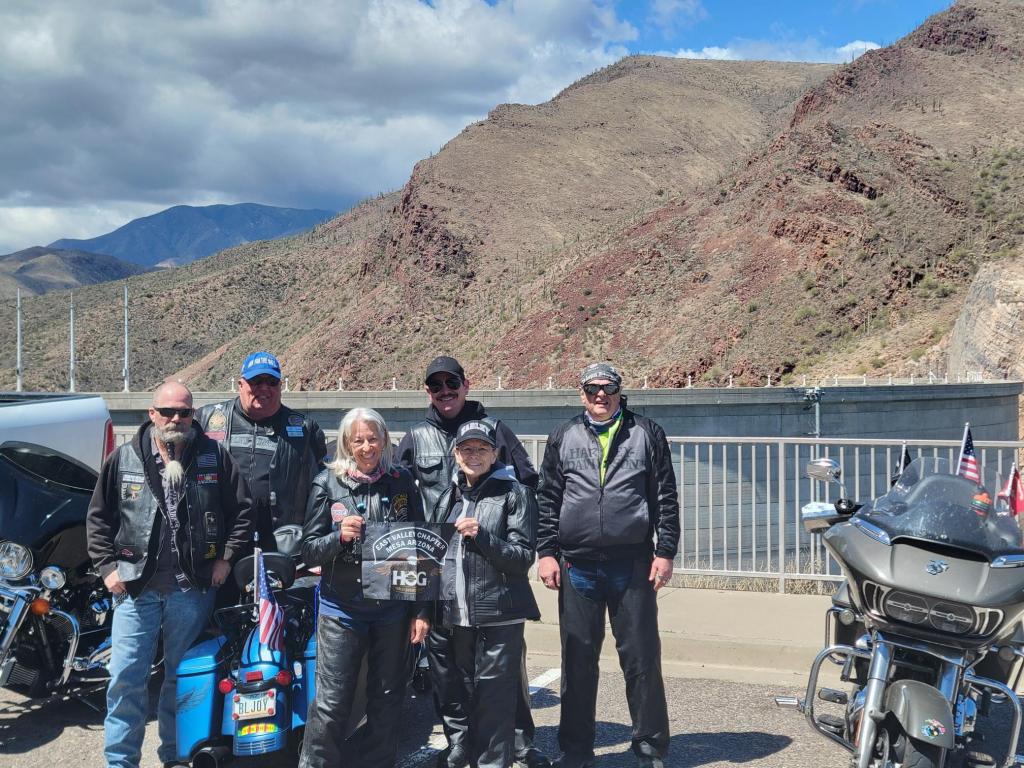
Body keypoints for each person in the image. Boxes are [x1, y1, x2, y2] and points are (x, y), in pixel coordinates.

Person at [87, 381, 254, 768]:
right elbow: (98, 518)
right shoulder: (124, 457)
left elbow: (242, 511)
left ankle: (174, 757)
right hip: (135, 588)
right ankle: (120, 762)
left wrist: (226, 559)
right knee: (126, 679)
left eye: (184, 412)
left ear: (193, 415)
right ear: (152, 414)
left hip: (191, 590)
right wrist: (107, 569)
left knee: (181, 680)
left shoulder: (214, 455)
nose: (176, 419)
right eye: (167, 412)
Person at [396, 355, 547, 768]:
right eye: (436, 385)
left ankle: (519, 742)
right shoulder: (415, 436)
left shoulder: (496, 429)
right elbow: (396, 493)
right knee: (447, 672)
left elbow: (527, 482)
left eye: (452, 383)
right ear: (427, 391)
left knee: (504, 672)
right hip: (441, 571)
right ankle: (459, 743)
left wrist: (518, 530)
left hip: (491, 574)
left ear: (466, 385)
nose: (445, 391)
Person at [536, 363, 680, 768]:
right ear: (581, 393)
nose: (600, 394)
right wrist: (545, 552)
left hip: (631, 564)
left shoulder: (647, 433)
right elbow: (548, 498)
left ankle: (649, 748)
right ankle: (576, 750)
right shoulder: (563, 435)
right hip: (576, 565)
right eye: (592, 388)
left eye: (608, 387)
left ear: (620, 391)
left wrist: (666, 551)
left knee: (641, 659)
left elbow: (665, 496)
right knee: (577, 661)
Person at [299, 407, 431, 768]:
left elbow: (419, 547)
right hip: (342, 609)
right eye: (358, 440)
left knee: (387, 697)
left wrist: (421, 610)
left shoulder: (402, 481)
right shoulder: (326, 484)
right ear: (346, 443)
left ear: (385, 440)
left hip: (392, 608)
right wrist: (337, 538)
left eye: (373, 438)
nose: (367, 447)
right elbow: (308, 549)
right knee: (331, 701)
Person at [434, 420, 541, 768]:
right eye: (467, 449)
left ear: (495, 454)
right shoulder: (448, 496)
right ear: (456, 454)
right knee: (468, 693)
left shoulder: (515, 493)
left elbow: (522, 557)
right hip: (457, 615)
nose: (474, 455)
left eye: (482, 449)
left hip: (499, 612)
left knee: (496, 698)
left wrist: (482, 537)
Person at [195, 351, 327, 551]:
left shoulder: (305, 429)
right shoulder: (206, 419)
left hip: (281, 543)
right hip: (221, 541)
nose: (264, 388)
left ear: (280, 386)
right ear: (240, 385)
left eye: (271, 382)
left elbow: (321, 489)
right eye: (256, 381)